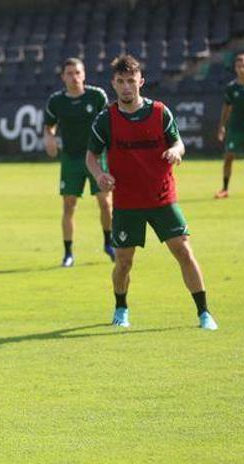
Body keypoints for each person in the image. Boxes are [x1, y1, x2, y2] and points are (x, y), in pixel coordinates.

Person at [85, 55, 219, 330]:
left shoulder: (160, 112)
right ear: (113, 83)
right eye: (120, 81)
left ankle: (204, 313)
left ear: (140, 82)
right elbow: (91, 156)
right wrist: (100, 175)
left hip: (162, 197)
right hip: (127, 202)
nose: (126, 87)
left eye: (131, 81)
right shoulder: (105, 119)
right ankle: (121, 308)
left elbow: (179, 142)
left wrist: (175, 151)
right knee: (123, 262)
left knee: (183, 251)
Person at [44, 58, 115, 267]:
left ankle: (108, 243)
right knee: (69, 206)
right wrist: (49, 138)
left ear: (84, 75)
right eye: (69, 73)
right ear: (63, 77)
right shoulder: (56, 101)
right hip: (71, 158)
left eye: (77, 72)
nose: (74, 77)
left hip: (96, 157)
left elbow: (109, 123)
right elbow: (49, 126)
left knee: (105, 202)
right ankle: (68, 254)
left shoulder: (96, 96)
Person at [215, 52, 244, 199]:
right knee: (228, 158)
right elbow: (226, 108)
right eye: (238, 66)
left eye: (243, 66)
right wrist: (222, 126)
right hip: (235, 128)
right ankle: (225, 189)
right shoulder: (232, 88)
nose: (241, 69)